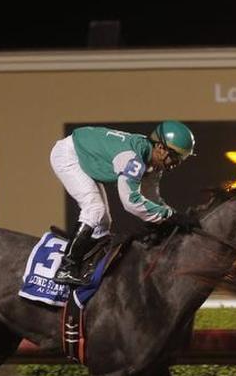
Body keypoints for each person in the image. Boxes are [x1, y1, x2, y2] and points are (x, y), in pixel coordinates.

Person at [49, 120, 195, 285]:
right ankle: (67, 267)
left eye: (181, 159)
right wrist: (170, 216)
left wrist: (172, 215)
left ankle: (87, 263)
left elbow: (152, 199)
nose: (176, 164)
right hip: (69, 154)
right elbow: (130, 202)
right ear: (160, 148)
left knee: (104, 223)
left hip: (82, 150)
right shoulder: (134, 158)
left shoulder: (152, 163)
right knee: (94, 210)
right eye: (175, 156)